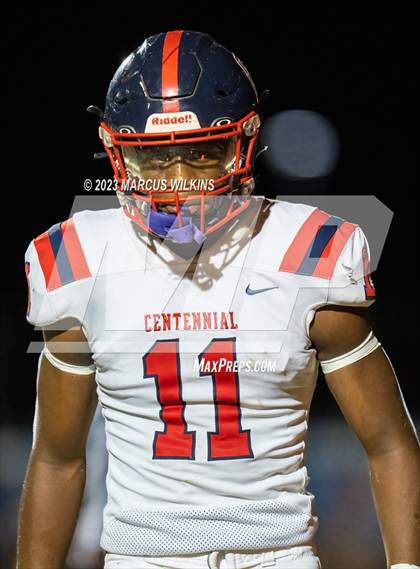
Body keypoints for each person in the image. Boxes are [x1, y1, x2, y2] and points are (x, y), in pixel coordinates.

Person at [16, 30, 419, 569]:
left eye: (203, 153)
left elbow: (390, 442)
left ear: (244, 142)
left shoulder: (307, 253)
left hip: (276, 556)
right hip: (142, 558)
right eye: (155, 159)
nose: (180, 182)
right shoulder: (80, 260)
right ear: (118, 155)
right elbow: (57, 458)